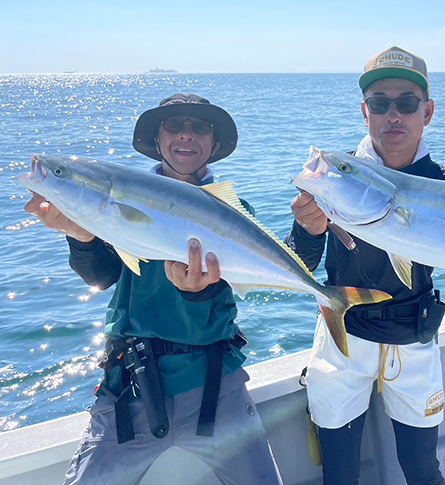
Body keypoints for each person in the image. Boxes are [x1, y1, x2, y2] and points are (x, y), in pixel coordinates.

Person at [286, 47, 445, 485]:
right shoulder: (337, 179)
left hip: (414, 340)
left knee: (422, 469)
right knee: (339, 474)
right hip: (342, 341)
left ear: (428, 111)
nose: (392, 115)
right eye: (380, 103)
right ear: (365, 112)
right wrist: (308, 229)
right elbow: (299, 264)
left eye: (406, 103)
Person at [24, 93, 283, 485]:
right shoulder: (120, 193)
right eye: (174, 126)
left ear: (213, 144)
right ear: (158, 139)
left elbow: (226, 289)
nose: (186, 135)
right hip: (131, 385)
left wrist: (197, 292)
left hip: (214, 383)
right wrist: (82, 238)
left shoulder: (236, 211)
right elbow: (103, 276)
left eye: (199, 127)